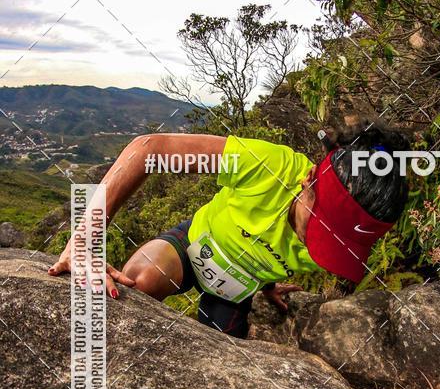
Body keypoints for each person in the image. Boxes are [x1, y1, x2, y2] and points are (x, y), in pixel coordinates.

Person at [48, 121, 410, 338]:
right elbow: (149, 150)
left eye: (333, 246)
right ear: (308, 182)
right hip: (194, 245)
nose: (313, 247)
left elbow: (273, 248)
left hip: (237, 289)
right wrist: (83, 242)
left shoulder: (348, 237)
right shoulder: (269, 166)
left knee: (220, 356)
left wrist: (267, 284)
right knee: (137, 284)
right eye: (318, 230)